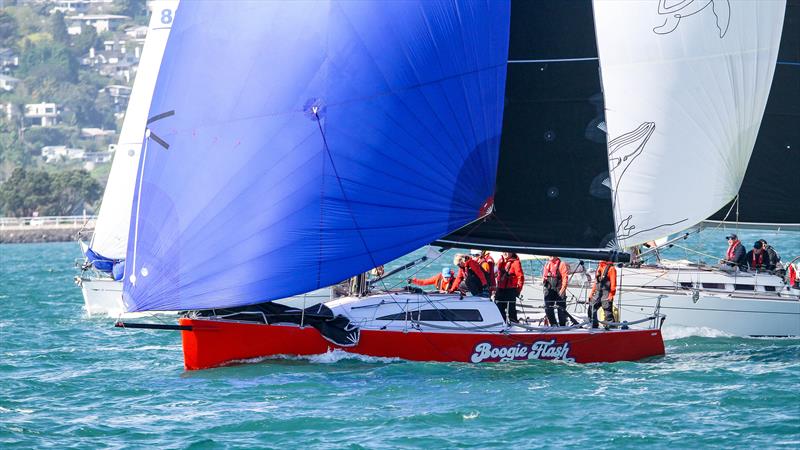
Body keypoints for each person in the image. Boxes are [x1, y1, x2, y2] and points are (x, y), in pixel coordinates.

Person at [495, 252, 524, 323]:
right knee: (498, 309)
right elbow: (495, 273)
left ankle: (514, 324)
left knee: (511, 311)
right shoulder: (500, 261)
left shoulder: (515, 263)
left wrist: (518, 290)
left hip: (510, 290)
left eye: (507, 251)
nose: (505, 253)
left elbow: (520, 277)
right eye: (504, 251)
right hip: (500, 289)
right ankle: (502, 323)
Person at [588, 260, 617, 328]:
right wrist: (591, 293)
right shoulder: (599, 267)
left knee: (607, 310)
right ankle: (594, 325)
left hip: (606, 292)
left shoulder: (611, 269)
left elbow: (613, 283)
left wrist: (611, 294)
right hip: (598, 292)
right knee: (591, 307)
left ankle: (611, 326)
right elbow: (596, 282)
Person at [542, 255, 569, 326]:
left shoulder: (562, 264)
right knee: (548, 307)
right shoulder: (547, 264)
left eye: (552, 255)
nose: (551, 256)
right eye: (549, 255)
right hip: (549, 288)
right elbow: (544, 277)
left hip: (559, 288)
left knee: (561, 308)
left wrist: (563, 289)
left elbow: (565, 278)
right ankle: (553, 323)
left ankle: (562, 325)